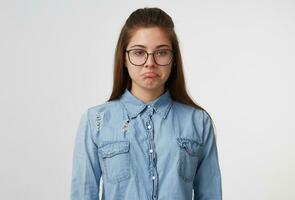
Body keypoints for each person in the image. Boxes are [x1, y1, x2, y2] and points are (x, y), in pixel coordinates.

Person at [70, 7, 222, 200]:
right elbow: (83, 194)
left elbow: (210, 194)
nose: (150, 62)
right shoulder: (96, 121)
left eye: (161, 52)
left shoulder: (198, 122)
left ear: (173, 58)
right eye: (139, 52)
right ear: (124, 58)